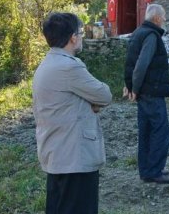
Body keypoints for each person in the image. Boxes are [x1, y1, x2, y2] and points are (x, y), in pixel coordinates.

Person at [33, 12, 112, 214]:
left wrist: (86, 102)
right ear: (72, 37)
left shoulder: (47, 64)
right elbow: (104, 94)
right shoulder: (69, 67)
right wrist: (90, 103)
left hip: (57, 154)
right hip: (74, 157)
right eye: (80, 32)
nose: (82, 37)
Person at [124, 4, 169, 184]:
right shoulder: (151, 36)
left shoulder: (138, 33)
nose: (165, 20)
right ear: (156, 18)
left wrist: (129, 85)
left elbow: (130, 62)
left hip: (144, 92)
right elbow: (141, 65)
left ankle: (147, 171)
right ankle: (154, 171)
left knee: (146, 131)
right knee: (160, 131)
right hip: (151, 92)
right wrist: (134, 89)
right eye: (164, 16)